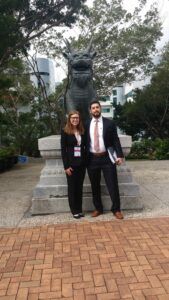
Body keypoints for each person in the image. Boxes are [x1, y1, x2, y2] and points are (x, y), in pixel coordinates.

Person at [86, 100, 124, 219]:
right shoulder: (86, 124)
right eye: (93, 108)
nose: (96, 109)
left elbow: (115, 140)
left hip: (107, 158)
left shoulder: (109, 123)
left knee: (112, 184)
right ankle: (98, 208)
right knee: (95, 185)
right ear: (90, 110)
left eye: (97, 107)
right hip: (92, 159)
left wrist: (119, 156)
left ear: (100, 109)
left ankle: (116, 209)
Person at [61, 111, 86, 219]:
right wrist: (66, 166)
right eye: (73, 118)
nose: (75, 120)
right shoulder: (65, 131)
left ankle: (79, 210)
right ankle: (74, 210)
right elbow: (63, 150)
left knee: (79, 188)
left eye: (77, 118)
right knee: (72, 188)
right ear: (69, 119)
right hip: (71, 165)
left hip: (81, 164)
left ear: (79, 119)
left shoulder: (82, 131)